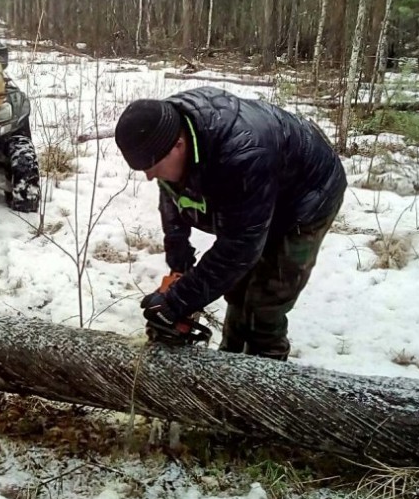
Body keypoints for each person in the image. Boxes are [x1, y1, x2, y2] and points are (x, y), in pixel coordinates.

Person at [114, 87, 347, 360]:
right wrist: (178, 251)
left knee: (265, 303)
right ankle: (229, 360)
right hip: (258, 191)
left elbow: (240, 247)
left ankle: (265, 373)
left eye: (153, 168)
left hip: (306, 198)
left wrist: (177, 301)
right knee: (236, 289)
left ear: (178, 144)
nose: (150, 177)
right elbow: (172, 191)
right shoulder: (164, 126)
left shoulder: (242, 155)